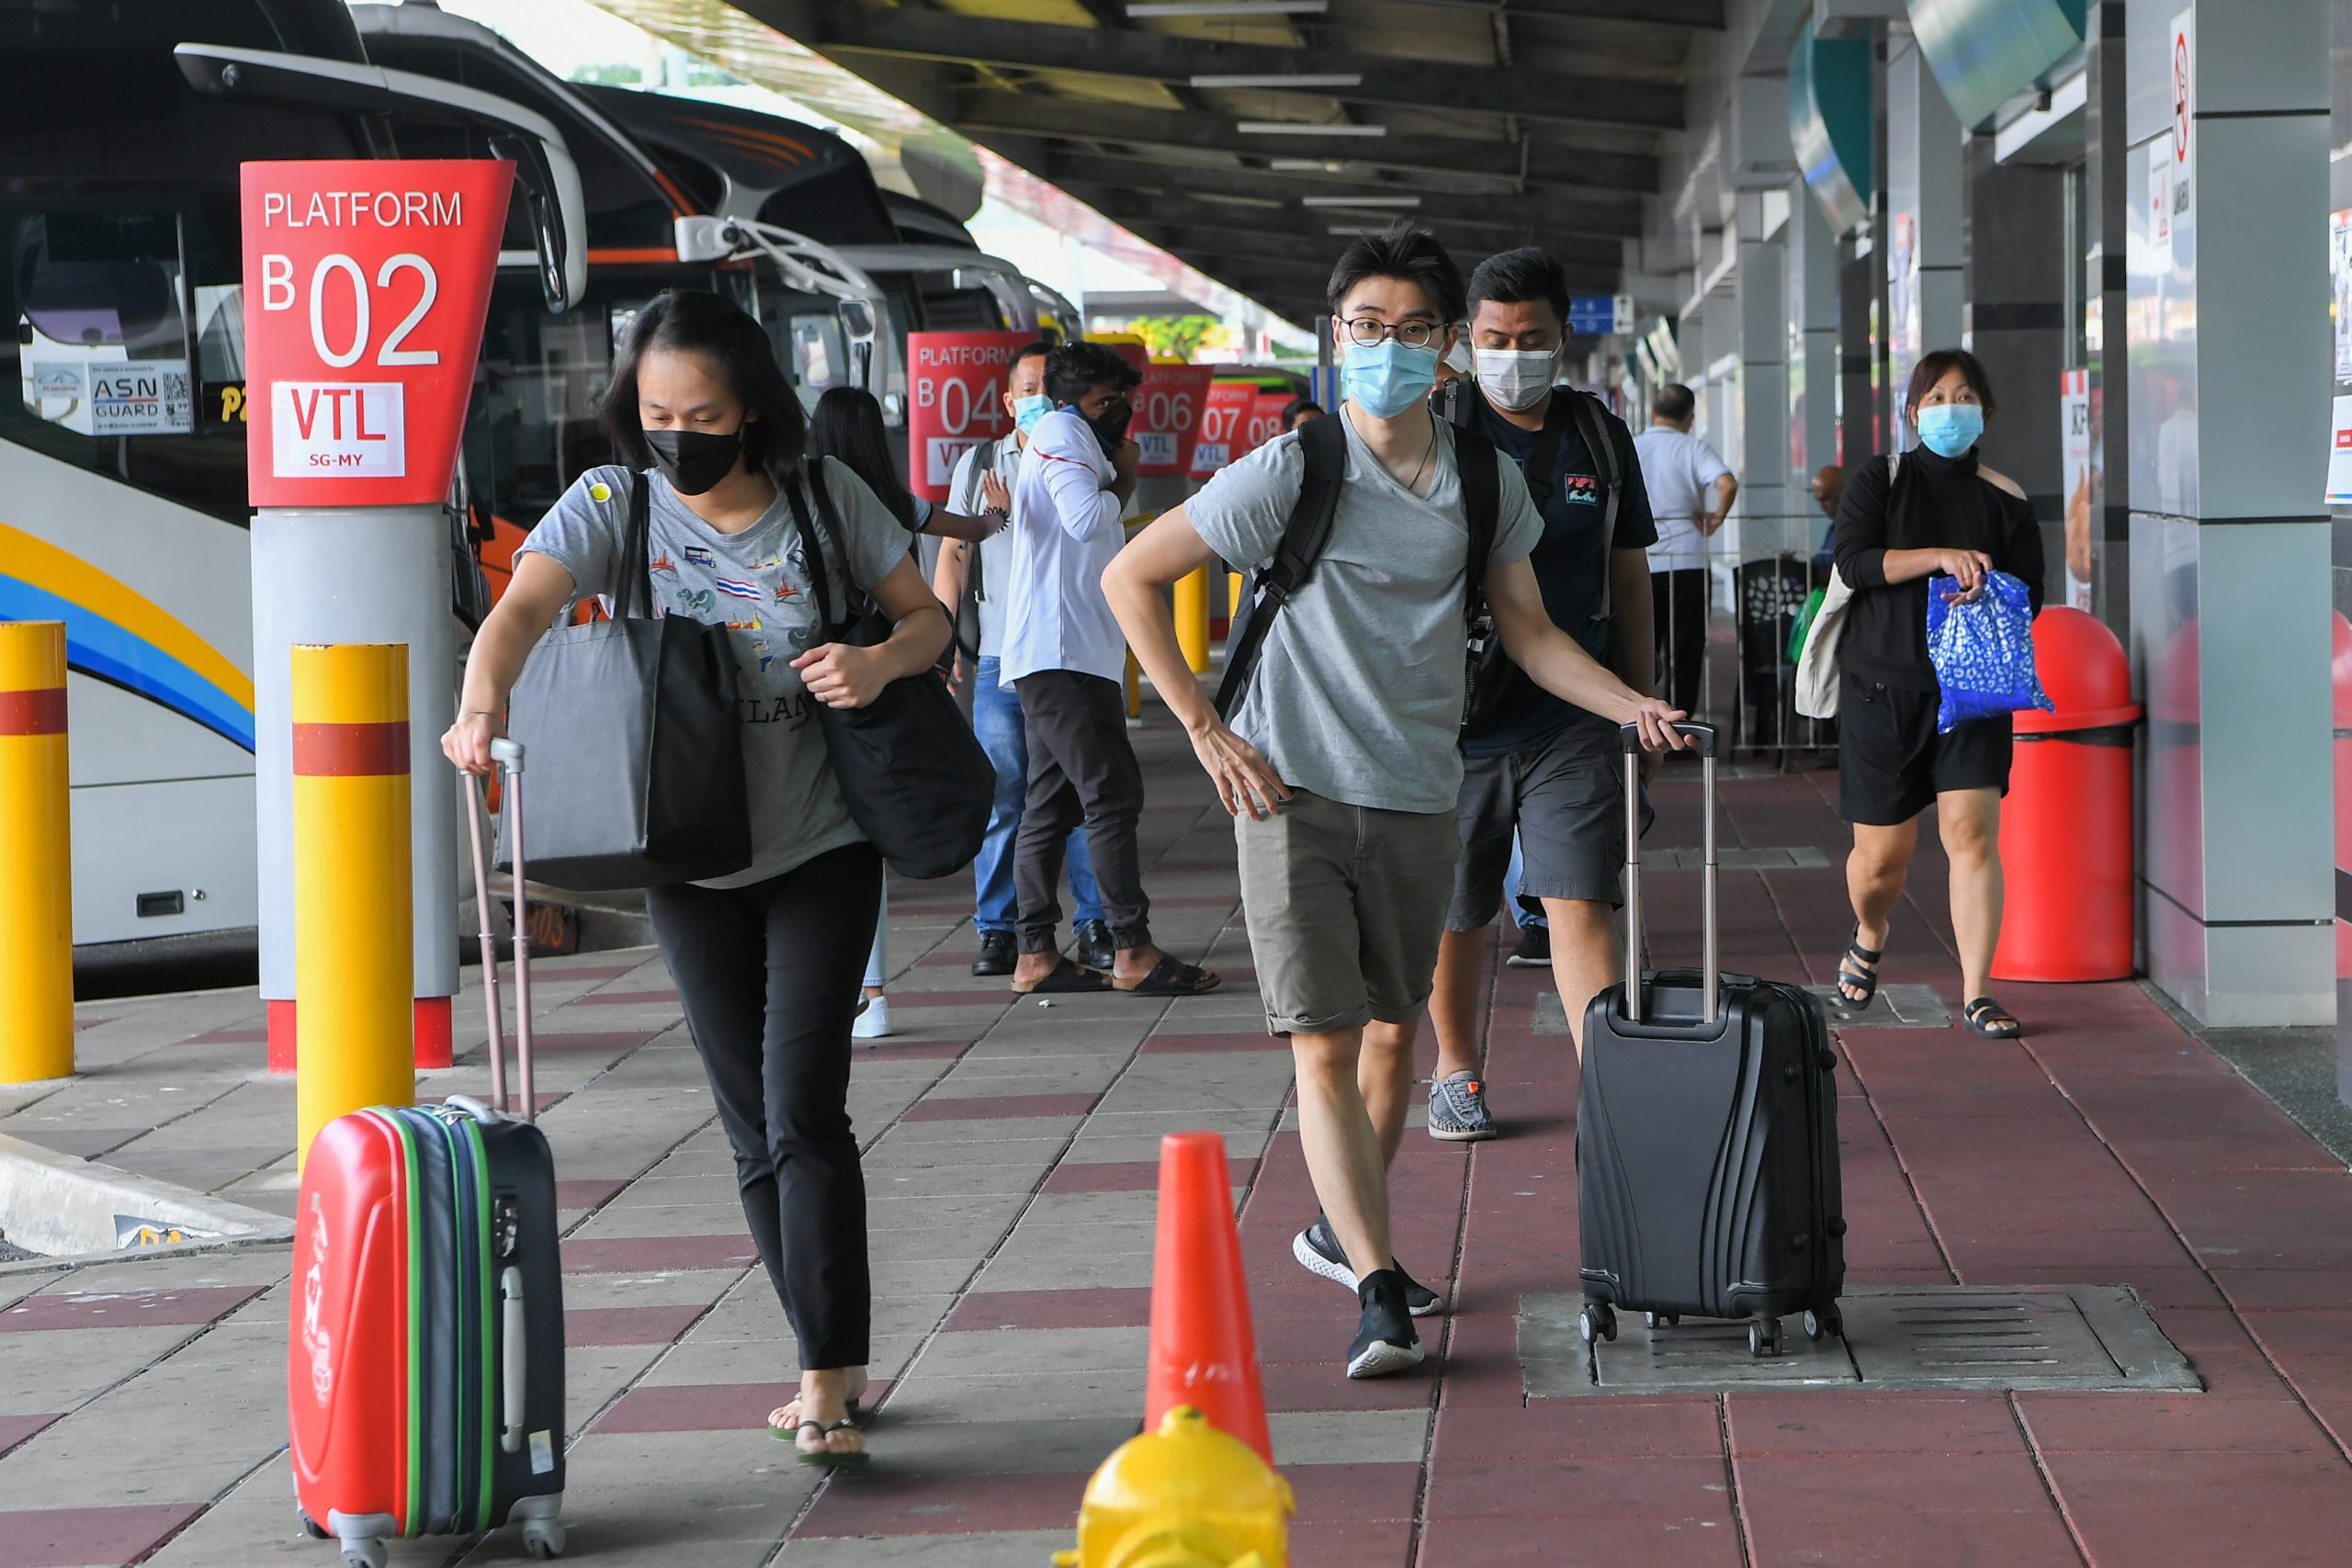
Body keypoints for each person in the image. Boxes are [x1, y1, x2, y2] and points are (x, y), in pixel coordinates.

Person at [1103, 222, 1685, 1380]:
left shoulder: (1484, 478)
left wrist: (1630, 703)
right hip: (1290, 789)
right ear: (1336, 337)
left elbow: (1529, 632)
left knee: (1389, 1031)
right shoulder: (1295, 467)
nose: (1388, 348)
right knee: (1324, 1044)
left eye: (1412, 329)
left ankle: (1341, 1232)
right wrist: (1206, 730)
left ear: (1444, 347)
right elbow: (1132, 574)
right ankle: (1377, 1292)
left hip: (1419, 789)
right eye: (1367, 327)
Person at [442, 290, 949, 1466]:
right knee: (749, 1129)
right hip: (682, 853)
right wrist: (480, 707)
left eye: (704, 417)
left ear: (752, 409)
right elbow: (520, 609)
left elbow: (925, 620)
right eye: (658, 416)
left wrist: (877, 662)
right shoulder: (614, 504)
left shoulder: (824, 496)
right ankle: (824, 1350)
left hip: (822, 843)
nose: (678, 437)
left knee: (803, 1108)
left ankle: (825, 1379)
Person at [1423, 247, 1659, 1142]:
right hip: (1453, 721)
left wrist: (1635, 700)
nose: (1512, 354)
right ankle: (1454, 1069)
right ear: (1465, 339)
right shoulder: (1435, 426)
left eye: (1531, 338)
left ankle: (1611, 1085)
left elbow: (1627, 576)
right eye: (1494, 338)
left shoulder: (1596, 435)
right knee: (1457, 911)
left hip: (1574, 715)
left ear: (1562, 340)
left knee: (1578, 898)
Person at [1829, 348, 2042, 1041]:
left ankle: (1978, 990)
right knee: (1880, 861)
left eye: (1965, 397)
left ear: (1986, 411)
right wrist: (1940, 557)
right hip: (1882, 689)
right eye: (1937, 398)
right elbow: (1854, 562)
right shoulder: (1881, 479)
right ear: (1913, 413)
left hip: (1972, 693)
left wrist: (1992, 592)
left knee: (1972, 836)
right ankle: (1870, 928)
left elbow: (2032, 595)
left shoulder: (2007, 499)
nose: (1952, 409)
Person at [1001, 341, 1218, 998]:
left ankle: (1035, 952)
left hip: (1059, 651)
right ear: (1073, 399)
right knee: (1111, 795)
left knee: (1050, 803)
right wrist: (1123, 475)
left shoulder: (1062, 434)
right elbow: (1085, 519)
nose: (1117, 410)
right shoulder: (1065, 433)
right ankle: (1132, 948)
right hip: (1064, 653)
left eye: (1120, 398)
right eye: (1105, 400)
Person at [803, 384, 979, 1040]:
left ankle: (843, 989)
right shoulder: (887, 498)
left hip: (815, 675)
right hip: (890, 673)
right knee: (866, 832)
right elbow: (965, 529)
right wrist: (994, 517)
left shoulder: (806, 500)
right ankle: (872, 993)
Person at [933, 344, 1114, 977]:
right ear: (1011, 401)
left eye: (1049, 389)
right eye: (1029, 390)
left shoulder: (1087, 450)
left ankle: (1096, 924)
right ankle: (998, 929)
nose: (1042, 400)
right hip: (998, 654)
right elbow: (954, 551)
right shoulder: (982, 462)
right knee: (1005, 796)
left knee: (1082, 795)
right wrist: (944, 637)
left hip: (1069, 653)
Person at [1635, 384, 1737, 716]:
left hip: (1641, 564)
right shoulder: (1693, 448)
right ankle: (1680, 724)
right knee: (1687, 650)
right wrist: (1716, 518)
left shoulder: (1632, 447)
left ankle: (1639, 721)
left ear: (1653, 412)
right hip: (1688, 562)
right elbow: (1727, 484)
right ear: (1690, 418)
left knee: (1639, 650)